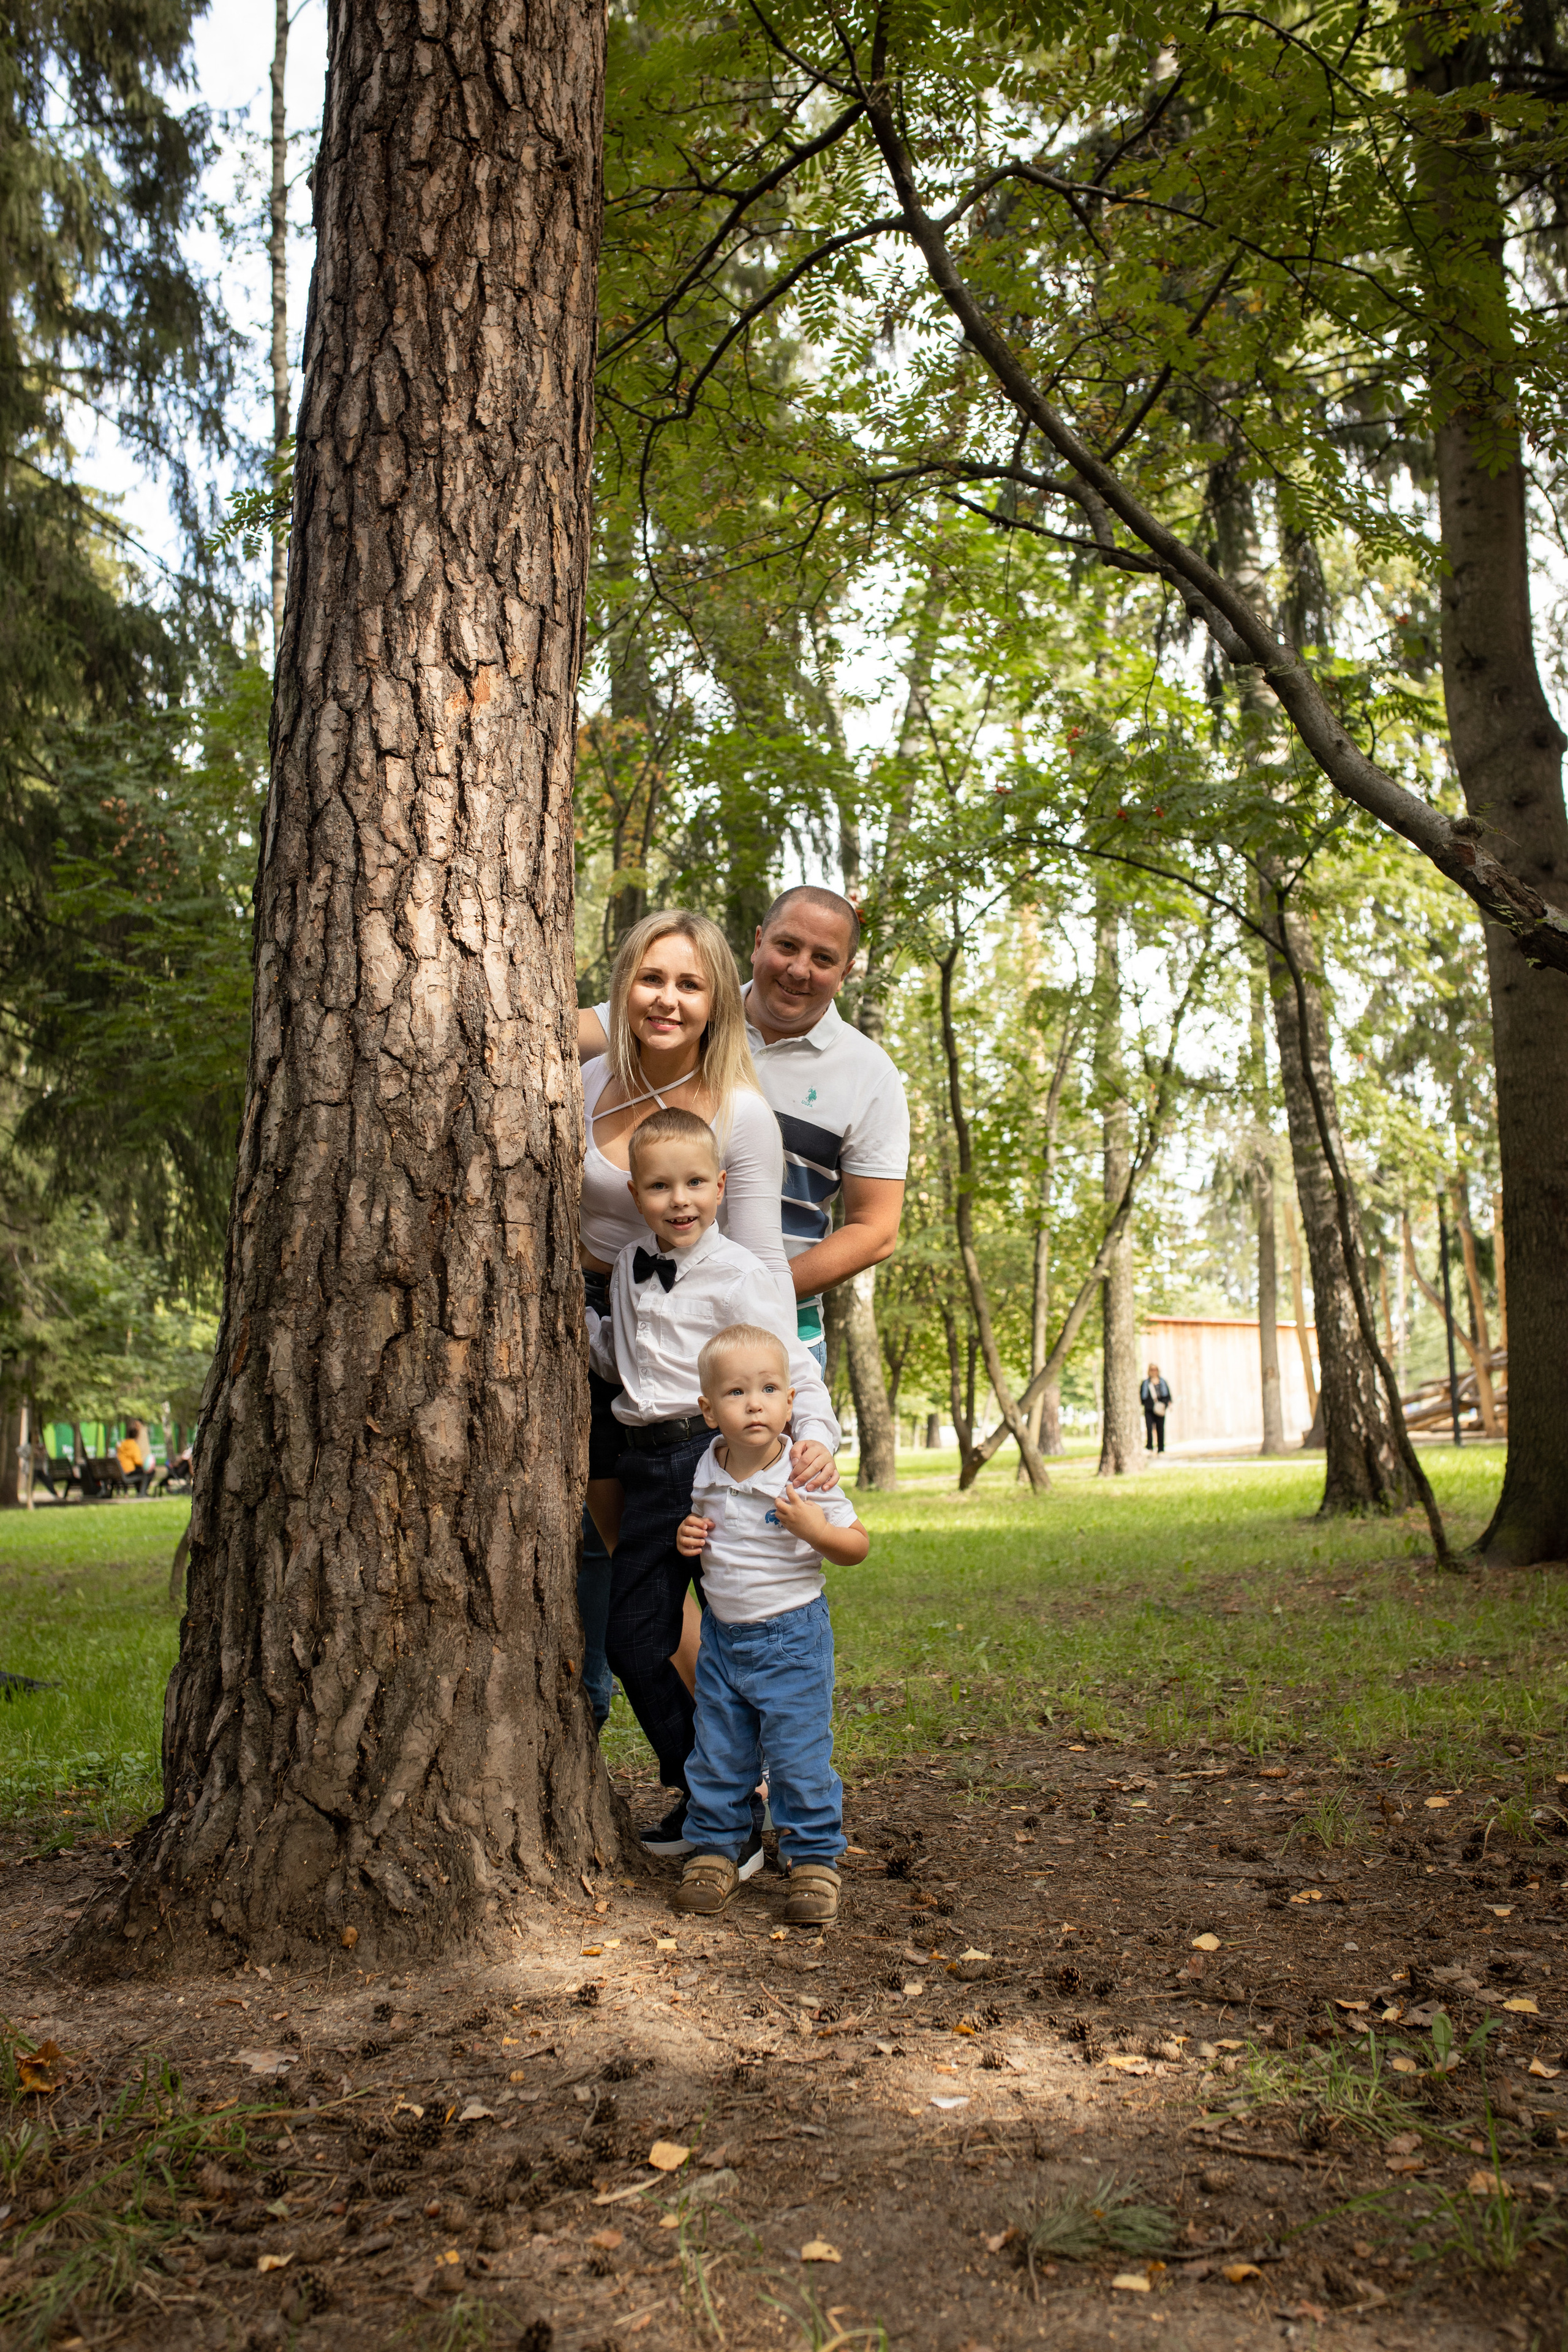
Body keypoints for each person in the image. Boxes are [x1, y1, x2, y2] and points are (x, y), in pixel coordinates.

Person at [576, 908, 809, 1722]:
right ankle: (707, 1771)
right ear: (623, 990)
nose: (666, 999)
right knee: (630, 1565)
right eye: (650, 979)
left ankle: (745, 1774)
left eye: (689, 984)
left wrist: (802, 1414)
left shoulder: (740, 1113)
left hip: (687, 1371)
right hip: (591, 1344)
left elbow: (762, 1265)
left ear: (718, 1003)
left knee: (713, 1581)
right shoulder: (583, 1082)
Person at [589, 1106, 841, 1858]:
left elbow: (789, 1366)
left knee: (738, 1638)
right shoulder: (631, 1267)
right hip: (644, 1465)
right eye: (661, 1186)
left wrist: (818, 1438)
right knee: (634, 1641)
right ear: (635, 1194)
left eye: (696, 1182)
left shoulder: (742, 1275)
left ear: (722, 1185)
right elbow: (623, 1364)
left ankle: (742, 1816)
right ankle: (713, 1793)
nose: (680, 1200)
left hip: (714, 1462)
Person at [581, 886, 910, 1371]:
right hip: (636, 1299)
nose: (799, 969)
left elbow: (876, 1231)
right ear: (758, 942)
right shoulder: (687, 1008)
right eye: (787, 946)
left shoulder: (869, 1073)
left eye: (823, 958)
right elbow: (549, 1030)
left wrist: (730, 1290)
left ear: (846, 972)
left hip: (773, 1318)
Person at [673, 1322, 868, 1924]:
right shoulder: (707, 1469)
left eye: (768, 1389)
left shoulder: (804, 1472)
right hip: (723, 1640)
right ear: (709, 1410)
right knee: (718, 1752)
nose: (753, 1402)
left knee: (796, 1754)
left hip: (790, 1638)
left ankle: (813, 1860)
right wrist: (690, 1537)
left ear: (790, 1402)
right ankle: (716, 1850)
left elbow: (855, 1545)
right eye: (735, 1393)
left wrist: (816, 1532)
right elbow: (712, 1535)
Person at [114, 1420, 156, 1496]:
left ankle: (140, 1491)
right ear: (137, 1436)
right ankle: (142, 1492)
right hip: (128, 1471)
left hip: (121, 1470)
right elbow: (138, 1461)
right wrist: (145, 1465)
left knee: (140, 1471)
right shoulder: (134, 1445)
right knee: (149, 1472)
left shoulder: (122, 1444)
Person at [1140, 1364, 1172, 1453]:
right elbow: (1142, 1396)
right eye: (1152, 1370)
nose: (1154, 1371)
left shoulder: (1162, 1382)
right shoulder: (1146, 1383)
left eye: (1155, 1370)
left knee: (1160, 1428)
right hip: (1149, 1409)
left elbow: (1167, 1395)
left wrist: (1167, 1403)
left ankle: (1161, 1448)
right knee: (1149, 1428)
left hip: (1160, 1408)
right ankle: (1150, 1447)